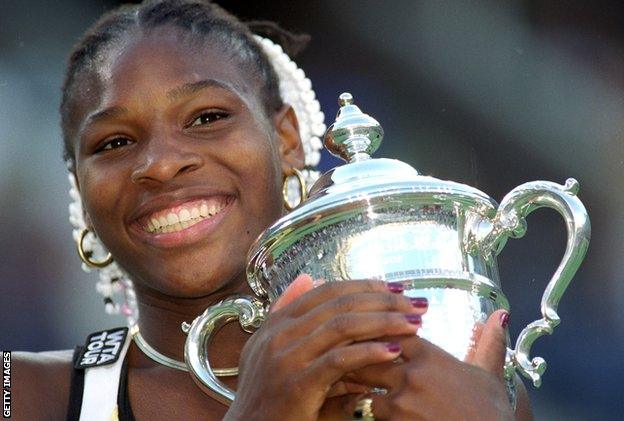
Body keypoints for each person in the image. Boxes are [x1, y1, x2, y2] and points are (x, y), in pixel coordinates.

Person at [13, 1, 532, 419]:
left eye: (206, 117)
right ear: (81, 190)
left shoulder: (445, 361)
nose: (161, 164)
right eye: (113, 143)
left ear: (284, 141)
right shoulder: (20, 394)